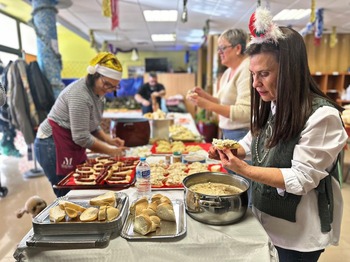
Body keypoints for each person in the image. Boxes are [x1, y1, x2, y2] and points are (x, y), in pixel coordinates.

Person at [209, 7, 347, 262]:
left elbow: (301, 178)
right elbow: (254, 142)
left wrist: (243, 169)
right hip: (266, 220)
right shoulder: (273, 103)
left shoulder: (322, 117)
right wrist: (233, 150)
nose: (255, 84)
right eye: (253, 74)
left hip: (297, 234)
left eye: (264, 74)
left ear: (290, 72)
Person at [34, 52, 127, 197]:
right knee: (67, 193)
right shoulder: (79, 94)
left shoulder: (99, 94)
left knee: (80, 187)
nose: (108, 90)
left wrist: (109, 140)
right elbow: (82, 137)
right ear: (94, 75)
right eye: (107, 84)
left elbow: (92, 125)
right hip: (52, 143)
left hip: (70, 141)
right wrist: (110, 151)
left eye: (113, 87)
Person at [186, 28, 251, 141]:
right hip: (228, 132)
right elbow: (222, 102)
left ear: (238, 48)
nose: (219, 52)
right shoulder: (228, 72)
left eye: (223, 48)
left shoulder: (247, 69)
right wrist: (204, 96)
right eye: (218, 48)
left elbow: (245, 112)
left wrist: (206, 104)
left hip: (242, 135)